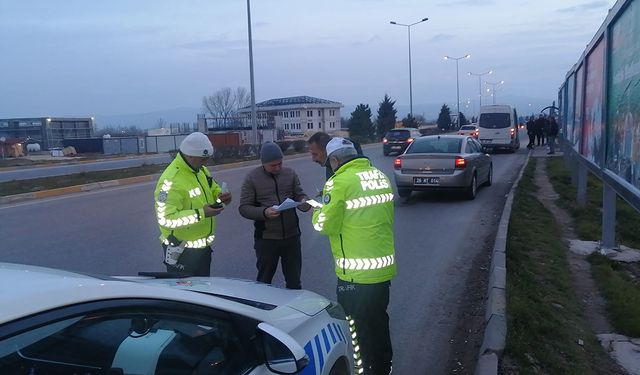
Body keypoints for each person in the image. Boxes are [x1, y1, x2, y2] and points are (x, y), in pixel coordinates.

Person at [312, 137, 396, 375]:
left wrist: (318, 211)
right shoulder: (379, 176)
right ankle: (384, 368)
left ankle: (363, 370)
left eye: (331, 163)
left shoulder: (338, 182)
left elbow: (326, 225)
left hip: (354, 275)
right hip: (381, 269)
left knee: (356, 327)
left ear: (335, 160)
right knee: (379, 322)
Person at [153, 132, 232, 276]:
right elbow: (166, 219)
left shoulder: (200, 170)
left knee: (202, 292)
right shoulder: (170, 181)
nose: (206, 162)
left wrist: (223, 197)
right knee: (184, 296)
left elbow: (214, 190)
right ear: (190, 156)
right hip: (181, 252)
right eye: (203, 159)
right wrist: (201, 213)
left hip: (203, 250)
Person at [238, 142, 310, 289]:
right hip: (266, 240)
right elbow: (244, 208)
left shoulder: (290, 174)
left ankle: (293, 309)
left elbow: (300, 195)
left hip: (292, 237)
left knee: (294, 281)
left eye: (280, 164)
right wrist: (264, 212)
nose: (277, 168)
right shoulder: (252, 178)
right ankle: (261, 310)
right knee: (264, 282)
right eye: (273, 165)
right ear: (263, 163)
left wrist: (304, 203)